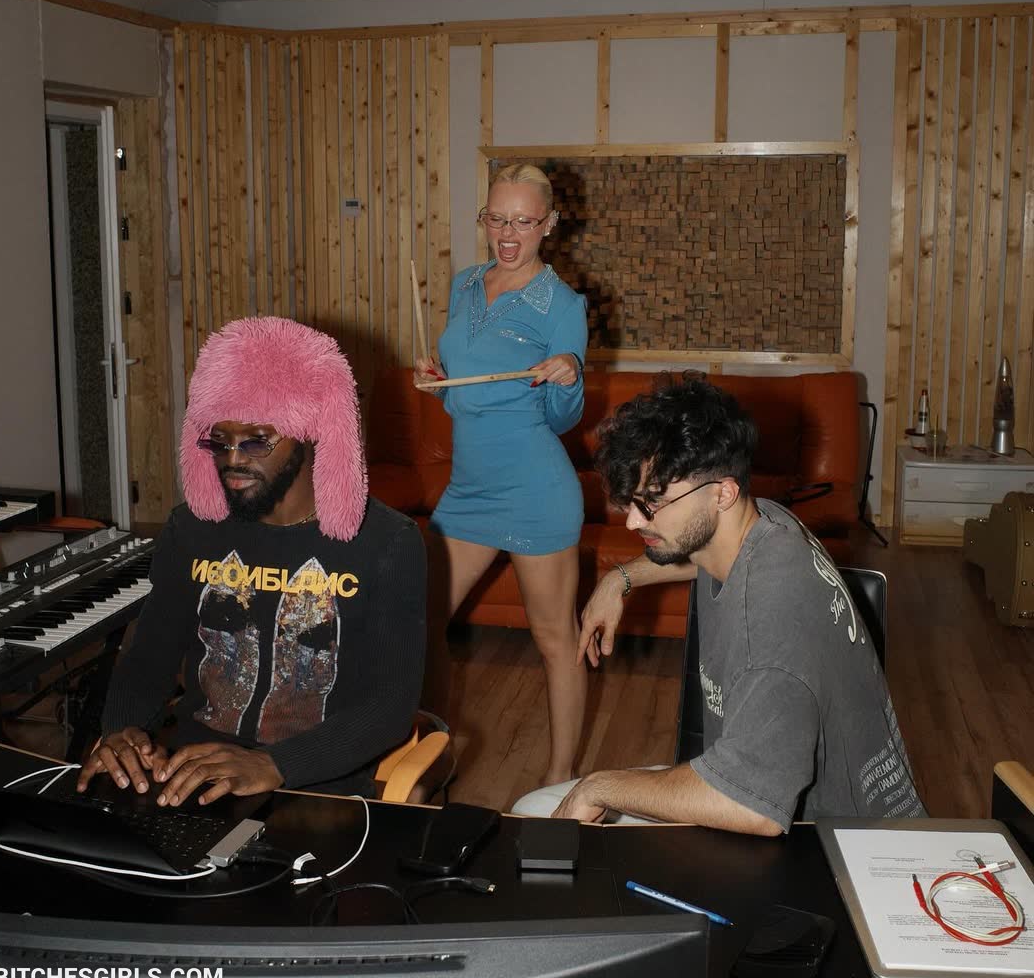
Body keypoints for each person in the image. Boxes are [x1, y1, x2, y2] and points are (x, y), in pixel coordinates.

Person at [515, 379, 923, 833]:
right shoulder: (765, 523)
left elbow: (753, 810)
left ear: (722, 493)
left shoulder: (772, 615)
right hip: (784, 799)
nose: (632, 521)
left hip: (826, 846)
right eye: (632, 502)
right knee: (544, 807)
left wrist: (599, 787)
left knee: (539, 812)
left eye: (652, 503)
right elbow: (697, 556)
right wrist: (621, 579)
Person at [79, 317, 425, 806]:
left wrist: (274, 764)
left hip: (318, 788)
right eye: (219, 441)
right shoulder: (191, 530)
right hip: (192, 775)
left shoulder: (386, 542)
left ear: (309, 432)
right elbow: (149, 658)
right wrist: (121, 730)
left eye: (257, 440)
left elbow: (389, 707)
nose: (234, 460)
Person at [416, 163, 587, 787]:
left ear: (549, 224)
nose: (507, 234)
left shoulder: (561, 305)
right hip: (468, 492)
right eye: (496, 219)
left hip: (535, 489)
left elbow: (563, 418)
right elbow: (467, 397)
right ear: (483, 218)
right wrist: (438, 384)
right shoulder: (465, 284)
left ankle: (560, 783)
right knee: (422, 623)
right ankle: (426, 752)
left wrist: (568, 376)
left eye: (523, 221)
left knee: (556, 640)